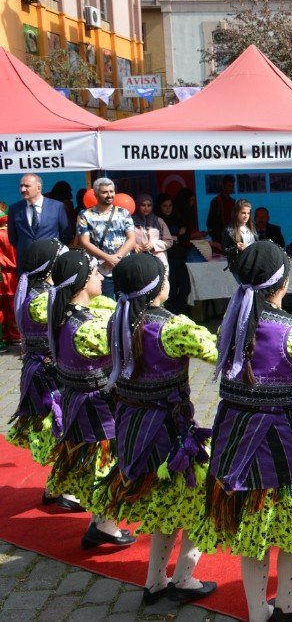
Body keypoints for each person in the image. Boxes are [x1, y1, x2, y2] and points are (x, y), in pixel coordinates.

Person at [191, 242, 292, 622]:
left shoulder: (227, 325)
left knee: (253, 528)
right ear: (283, 281)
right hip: (278, 441)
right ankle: (287, 601)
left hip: (233, 440)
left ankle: (257, 611)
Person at [91, 253, 218, 606]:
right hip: (170, 436)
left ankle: (156, 581)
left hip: (131, 428)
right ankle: (184, 579)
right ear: (159, 287)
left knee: (167, 506)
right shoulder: (173, 327)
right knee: (203, 501)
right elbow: (219, 351)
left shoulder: (116, 321)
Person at [39, 250, 136, 549]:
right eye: (94, 272)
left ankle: (100, 521)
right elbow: (127, 344)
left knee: (97, 462)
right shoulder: (88, 327)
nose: (100, 276)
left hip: (79, 402)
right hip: (96, 407)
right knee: (107, 465)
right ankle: (105, 525)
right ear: (81, 284)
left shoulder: (64, 316)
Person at [6, 240, 97, 511]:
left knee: (61, 430)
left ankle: (55, 487)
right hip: (46, 376)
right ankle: (66, 492)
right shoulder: (42, 298)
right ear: (49, 265)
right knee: (61, 431)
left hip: (45, 371)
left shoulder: (40, 292)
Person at [76, 177, 136, 298]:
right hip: (99, 271)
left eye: (111, 191)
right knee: (106, 305)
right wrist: (107, 258)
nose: (109, 195)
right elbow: (84, 242)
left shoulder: (123, 213)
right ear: (96, 194)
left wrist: (115, 259)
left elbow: (131, 239)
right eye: (104, 192)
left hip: (123, 268)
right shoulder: (85, 215)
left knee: (126, 305)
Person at [8, 173, 72, 259]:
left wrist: (55, 251)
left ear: (38, 187)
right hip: (26, 262)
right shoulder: (14, 209)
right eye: (21, 186)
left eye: (27, 186)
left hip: (51, 261)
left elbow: (66, 234)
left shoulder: (57, 207)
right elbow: (13, 238)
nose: (23, 189)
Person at [132, 194, 174, 271]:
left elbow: (169, 241)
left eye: (149, 205)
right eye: (143, 205)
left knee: (161, 281)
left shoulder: (158, 221)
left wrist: (153, 245)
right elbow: (125, 239)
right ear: (138, 205)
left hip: (158, 259)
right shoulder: (131, 221)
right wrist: (134, 245)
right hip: (138, 260)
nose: (146, 208)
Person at [220, 199, 257, 270]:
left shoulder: (252, 226)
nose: (246, 216)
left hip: (254, 264)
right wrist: (236, 248)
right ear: (236, 213)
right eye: (243, 213)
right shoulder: (229, 229)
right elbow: (224, 251)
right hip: (239, 266)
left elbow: (257, 243)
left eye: (248, 213)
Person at [0, 204, 18, 350]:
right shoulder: (12, 234)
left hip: (3, 275)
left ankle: (4, 336)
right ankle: (15, 335)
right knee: (12, 306)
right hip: (11, 275)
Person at [205, 176, 235, 244]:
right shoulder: (216, 201)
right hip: (219, 238)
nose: (231, 188)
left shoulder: (233, 201)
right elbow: (210, 222)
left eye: (233, 186)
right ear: (223, 186)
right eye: (229, 186)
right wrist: (215, 237)